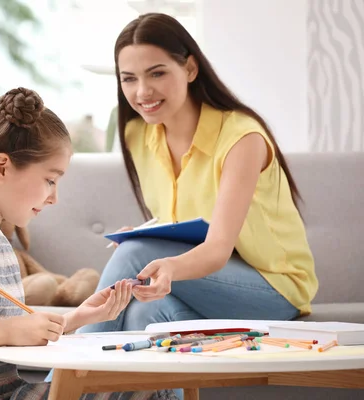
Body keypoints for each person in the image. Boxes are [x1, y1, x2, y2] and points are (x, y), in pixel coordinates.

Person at [0, 87, 177, 400]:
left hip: (3, 392)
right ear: (1, 168)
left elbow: (8, 329)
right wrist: (7, 331)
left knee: (143, 392)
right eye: (50, 180)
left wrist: (78, 318)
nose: (54, 197)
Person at [79, 12, 318, 335]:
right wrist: (150, 236)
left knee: (134, 254)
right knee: (145, 315)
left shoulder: (241, 138)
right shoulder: (138, 134)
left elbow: (218, 249)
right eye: (129, 78)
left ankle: (60, 380)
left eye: (157, 73)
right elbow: (186, 221)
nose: (142, 92)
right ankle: (151, 390)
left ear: (190, 68)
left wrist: (157, 259)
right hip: (208, 282)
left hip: (275, 288)